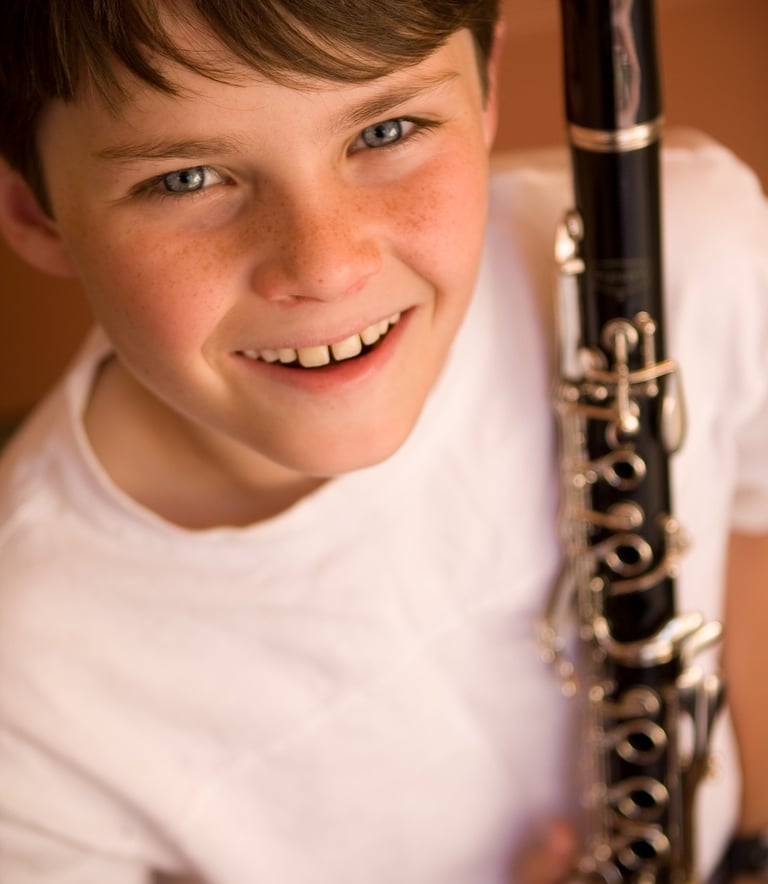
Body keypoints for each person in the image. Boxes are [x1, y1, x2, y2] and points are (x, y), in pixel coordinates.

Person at [0, 1, 766, 882]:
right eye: (188, 179)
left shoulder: (693, 254)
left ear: (485, 89)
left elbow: (754, 532)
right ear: (36, 213)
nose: (327, 267)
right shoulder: (29, 693)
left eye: (387, 130)